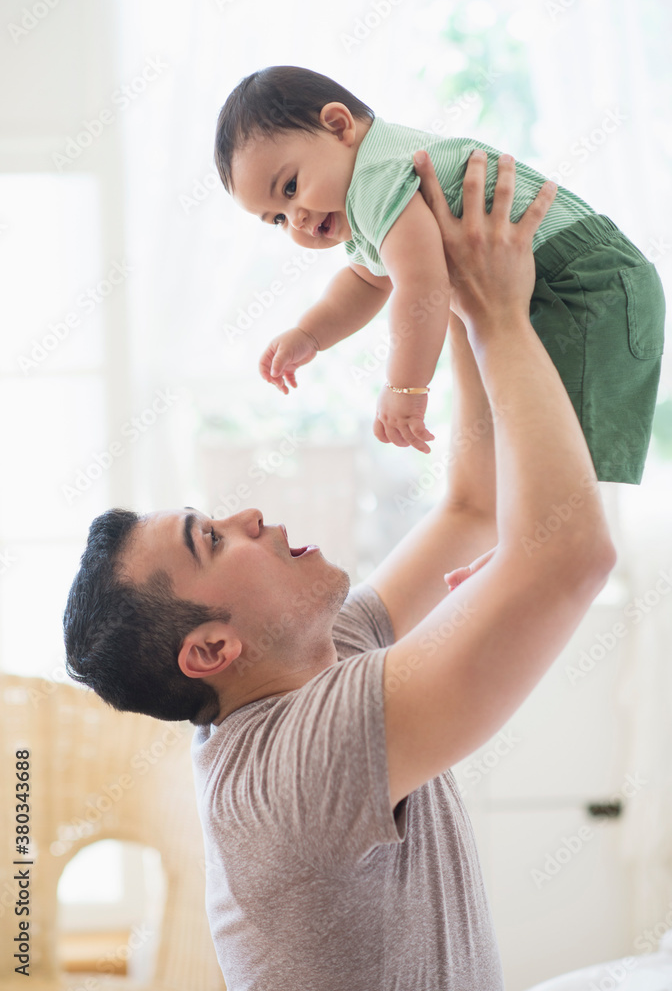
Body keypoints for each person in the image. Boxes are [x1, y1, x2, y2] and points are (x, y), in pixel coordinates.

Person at [63, 151, 616, 991]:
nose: (246, 515)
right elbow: (572, 557)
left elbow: (470, 509)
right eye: (212, 539)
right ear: (211, 650)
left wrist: (463, 295)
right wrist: (502, 317)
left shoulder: (305, 660)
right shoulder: (298, 764)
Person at [215, 65, 665, 482]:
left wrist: (405, 388)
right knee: (541, 444)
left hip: (582, 281)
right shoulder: (366, 193)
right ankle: (533, 536)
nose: (295, 219)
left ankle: (546, 540)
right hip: (580, 278)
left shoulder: (375, 180)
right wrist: (309, 334)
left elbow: (421, 286)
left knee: (555, 450)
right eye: (277, 218)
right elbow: (365, 282)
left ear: (338, 126)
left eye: (291, 188)